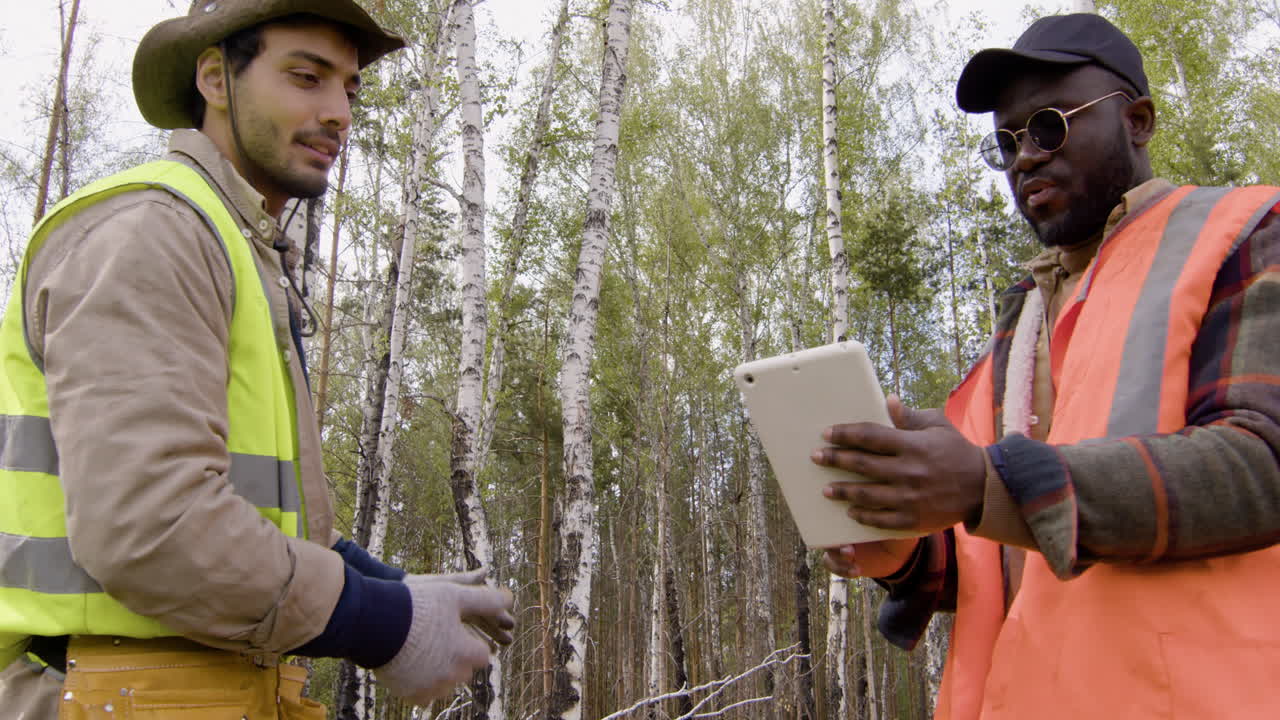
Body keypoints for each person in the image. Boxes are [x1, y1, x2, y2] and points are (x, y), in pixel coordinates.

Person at [0, 1, 515, 718]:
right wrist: (382, 620)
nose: (339, 110)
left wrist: (392, 587)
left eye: (350, 88)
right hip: (112, 693)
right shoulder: (150, 233)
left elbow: (247, 512)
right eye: (307, 77)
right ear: (215, 77)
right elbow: (153, 526)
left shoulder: (235, 245)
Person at [813, 13, 1280, 720]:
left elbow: (1262, 464)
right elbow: (1001, 560)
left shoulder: (1245, 233)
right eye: (1006, 142)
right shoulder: (1022, 320)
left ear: (1139, 121)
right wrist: (901, 541)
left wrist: (985, 483)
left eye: (1050, 126)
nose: (1025, 156)